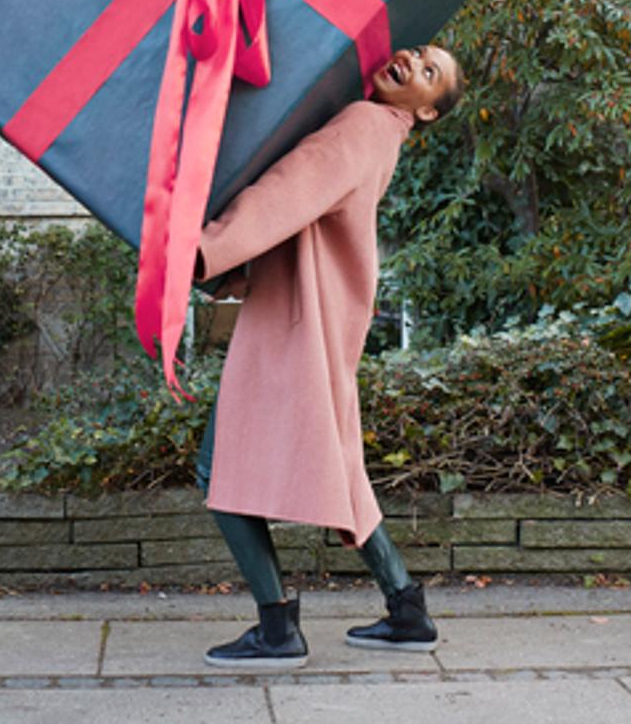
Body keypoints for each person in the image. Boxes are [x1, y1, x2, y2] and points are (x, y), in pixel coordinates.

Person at [191, 42, 463, 669]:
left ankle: (277, 627)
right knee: (339, 463)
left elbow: (290, 190)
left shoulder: (364, 122)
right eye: (420, 53)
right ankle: (406, 607)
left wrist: (205, 252)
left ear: (426, 112)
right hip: (323, 317)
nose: (413, 63)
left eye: (429, 74)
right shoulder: (381, 131)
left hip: (299, 320)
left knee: (218, 470)